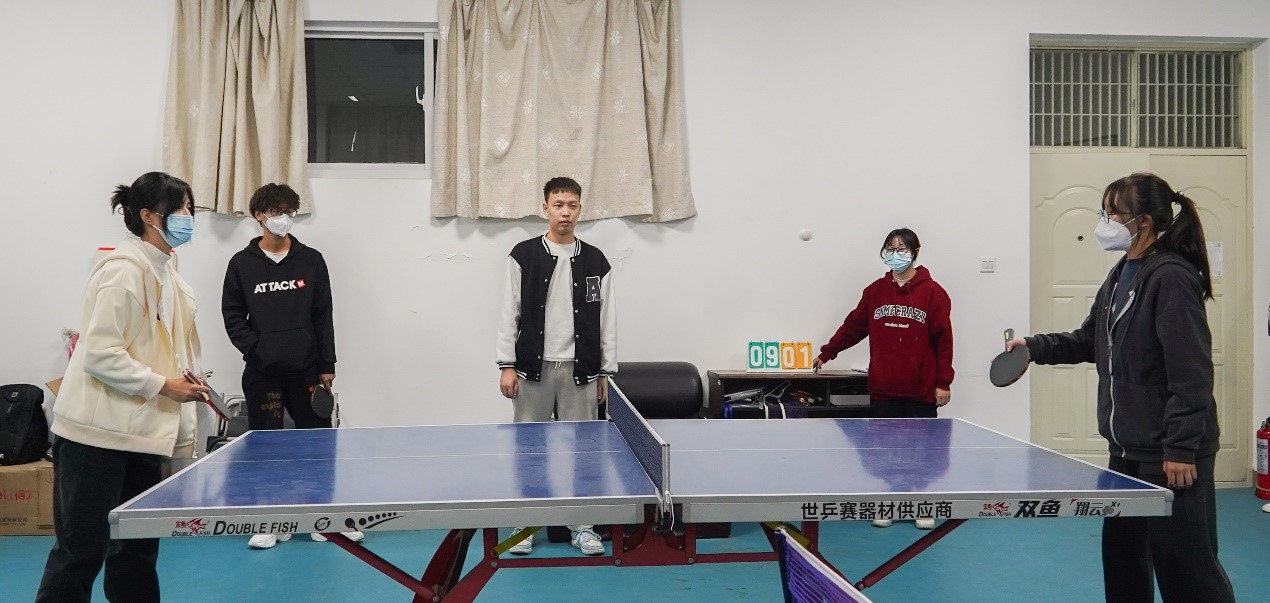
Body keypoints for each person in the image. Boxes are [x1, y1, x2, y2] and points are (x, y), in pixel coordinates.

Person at [1007, 172, 1235, 603]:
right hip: (1127, 451)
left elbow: (1191, 372)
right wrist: (1033, 347)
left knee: (1187, 570)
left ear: (1143, 221)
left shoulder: (1171, 277)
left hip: (1168, 453)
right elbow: (1088, 339)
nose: (1104, 222)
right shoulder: (1120, 274)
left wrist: (1180, 448)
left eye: (1113, 213)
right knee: (1124, 560)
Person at [36, 172, 210, 603]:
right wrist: (164, 386)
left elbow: (163, 350)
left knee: (136, 553)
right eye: (181, 208)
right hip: (95, 438)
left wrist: (185, 378)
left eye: (190, 208)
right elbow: (99, 354)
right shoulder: (123, 272)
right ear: (149, 216)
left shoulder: (170, 276)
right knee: (80, 552)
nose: (188, 217)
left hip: (144, 436)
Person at [221, 183, 362, 549]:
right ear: (259, 216)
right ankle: (272, 521)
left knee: (316, 447)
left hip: (308, 371)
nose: (284, 218)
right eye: (276, 212)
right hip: (263, 372)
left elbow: (323, 315)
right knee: (267, 449)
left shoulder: (311, 260)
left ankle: (323, 520)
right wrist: (258, 351)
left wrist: (326, 363)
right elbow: (233, 317)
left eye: (289, 212)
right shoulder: (241, 264)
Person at [496, 176, 616, 556]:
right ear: (545, 208)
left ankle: (583, 527)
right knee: (529, 449)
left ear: (580, 210)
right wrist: (507, 364)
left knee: (583, 451)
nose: (565, 212)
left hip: (581, 372)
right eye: (558, 205)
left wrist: (605, 371)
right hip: (533, 369)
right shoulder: (523, 255)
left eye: (572, 205)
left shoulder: (596, 260)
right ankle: (525, 525)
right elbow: (509, 312)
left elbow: (607, 320)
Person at [812, 228, 953, 529]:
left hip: (921, 387)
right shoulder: (874, 292)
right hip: (884, 386)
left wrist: (943, 382)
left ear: (915, 252)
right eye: (890, 248)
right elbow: (853, 326)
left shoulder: (934, 293)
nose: (895, 254)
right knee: (885, 449)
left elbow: (944, 341)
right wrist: (828, 352)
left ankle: (921, 504)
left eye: (902, 249)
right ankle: (889, 502)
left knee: (922, 450)